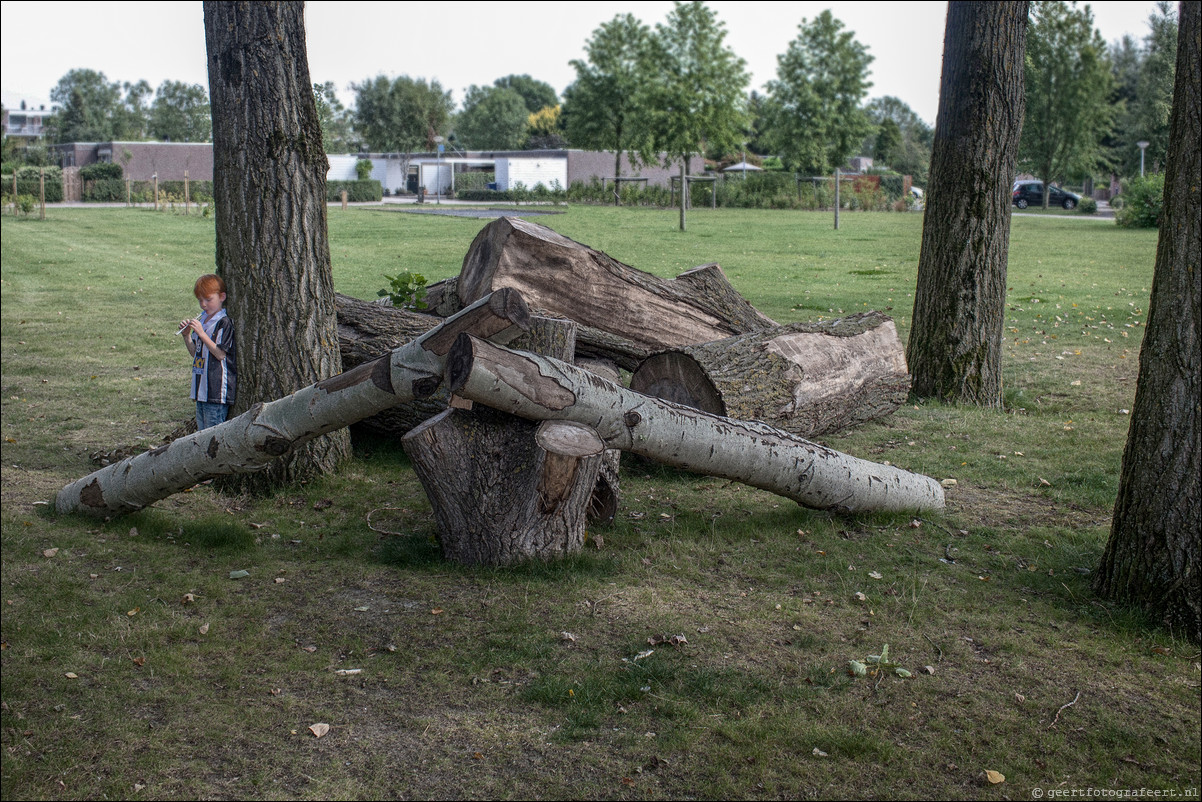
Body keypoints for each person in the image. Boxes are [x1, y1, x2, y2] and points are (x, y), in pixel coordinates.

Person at [180, 274, 236, 430]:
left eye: (208, 299)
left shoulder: (223, 322)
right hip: (200, 391)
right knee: (201, 435)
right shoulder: (203, 320)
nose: (203, 305)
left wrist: (202, 334)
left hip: (216, 392)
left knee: (213, 436)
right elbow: (195, 352)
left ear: (222, 297)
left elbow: (220, 354)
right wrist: (187, 336)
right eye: (200, 300)